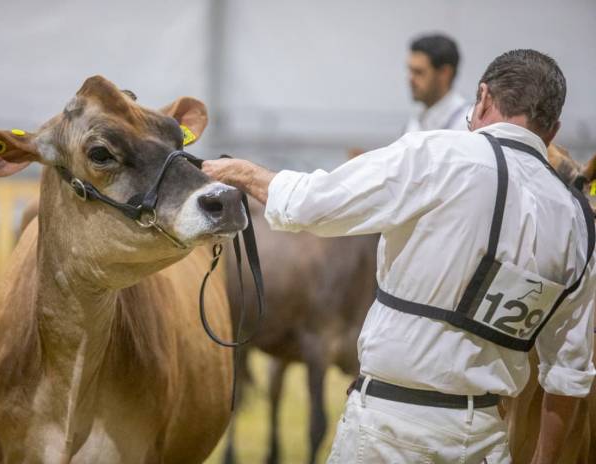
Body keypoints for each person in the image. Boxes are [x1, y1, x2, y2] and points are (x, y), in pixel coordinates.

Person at [202, 49, 595, 463]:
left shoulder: (437, 155)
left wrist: (240, 172)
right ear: (552, 130)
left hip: (388, 430)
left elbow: (313, 204)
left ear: (482, 98)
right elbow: (569, 373)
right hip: (481, 439)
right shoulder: (577, 223)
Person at [405, 33, 468, 133]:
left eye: (419, 72)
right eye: (410, 71)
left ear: (444, 73)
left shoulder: (467, 125)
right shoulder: (414, 124)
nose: (410, 79)